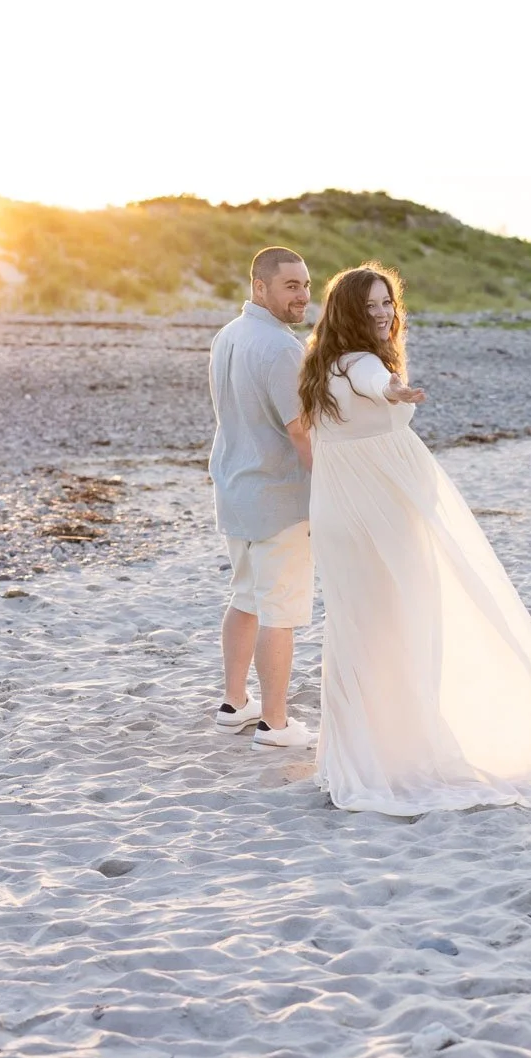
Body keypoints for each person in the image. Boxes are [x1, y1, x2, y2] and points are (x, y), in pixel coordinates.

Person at [298, 262, 531, 814]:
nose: (382, 313)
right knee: (403, 626)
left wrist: (392, 388)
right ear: (348, 311)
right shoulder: (364, 366)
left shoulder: (322, 364)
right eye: (369, 305)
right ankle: (390, 755)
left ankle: (359, 756)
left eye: (387, 303)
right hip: (379, 514)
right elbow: (381, 384)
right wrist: (396, 389)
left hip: (343, 512)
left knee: (358, 631)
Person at [207, 246, 317, 749]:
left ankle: (234, 704)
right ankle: (274, 723)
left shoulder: (228, 335)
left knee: (246, 596)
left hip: (235, 489)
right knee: (280, 610)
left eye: (307, 285)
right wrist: (327, 488)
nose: (302, 295)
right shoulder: (281, 349)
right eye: (290, 285)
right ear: (260, 287)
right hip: (278, 497)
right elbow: (300, 433)